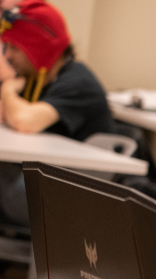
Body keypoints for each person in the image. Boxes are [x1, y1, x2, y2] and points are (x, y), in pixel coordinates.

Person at [0, 0, 113, 226]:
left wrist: (7, 90)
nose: (8, 56)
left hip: (70, 200)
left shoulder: (78, 82)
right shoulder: (36, 80)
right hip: (44, 184)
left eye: (15, 48)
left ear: (38, 48)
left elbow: (23, 121)